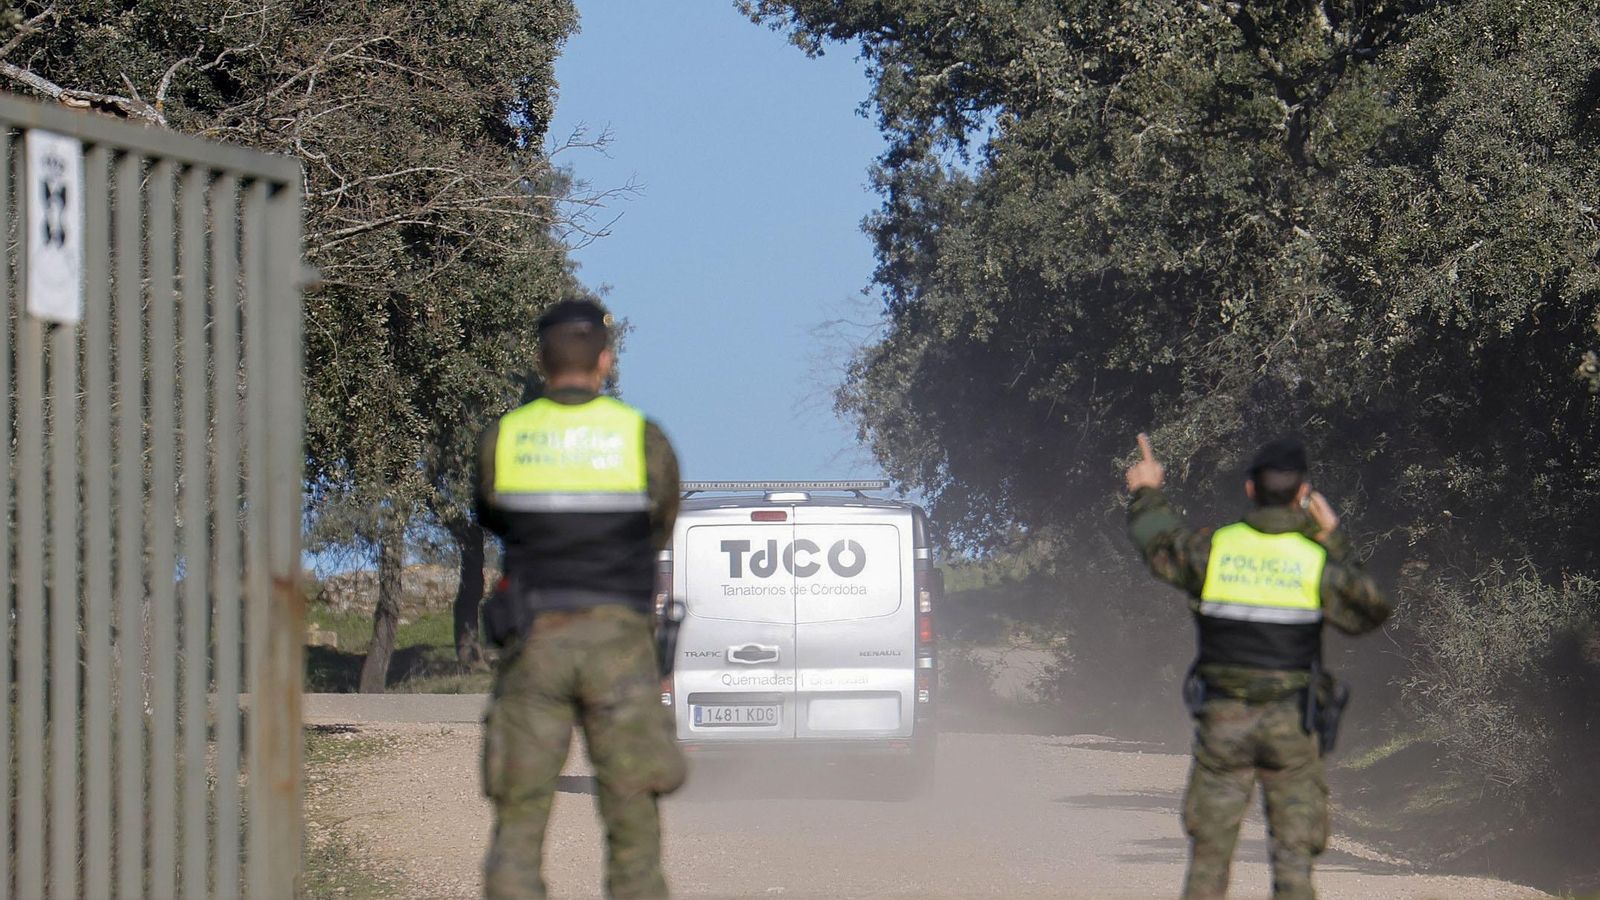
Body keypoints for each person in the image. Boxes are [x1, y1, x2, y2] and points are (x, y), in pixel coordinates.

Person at [475, 298, 686, 900]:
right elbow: (661, 525)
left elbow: (491, 514)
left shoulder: (505, 438)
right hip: (620, 644)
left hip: (533, 640)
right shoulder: (642, 438)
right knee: (633, 824)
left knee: (518, 822)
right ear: (605, 360)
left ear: (541, 360)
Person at [1124, 434, 1391, 900]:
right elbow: (1371, 609)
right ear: (1303, 493)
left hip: (1223, 722)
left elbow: (1158, 543)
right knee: (1294, 861)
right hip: (1292, 725)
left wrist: (1147, 489)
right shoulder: (1315, 561)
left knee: (1209, 857)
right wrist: (1333, 537)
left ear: (1250, 488)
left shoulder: (1216, 550)